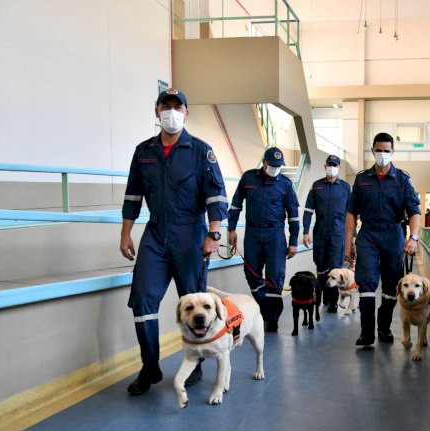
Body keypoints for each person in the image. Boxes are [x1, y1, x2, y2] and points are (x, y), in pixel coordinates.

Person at [120, 88, 229, 396]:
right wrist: (125, 232)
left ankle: (195, 362)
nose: (171, 112)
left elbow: (216, 194)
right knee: (142, 300)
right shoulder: (144, 152)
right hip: (155, 234)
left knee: (194, 303)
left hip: (191, 234)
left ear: (186, 112)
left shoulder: (200, 150)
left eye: (177, 107)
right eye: (165, 106)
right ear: (157, 111)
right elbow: (133, 195)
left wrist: (214, 233)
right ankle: (150, 367)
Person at [345, 132, 421, 346]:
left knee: (391, 287)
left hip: (393, 234)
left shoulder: (402, 179)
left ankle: (384, 327)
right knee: (366, 283)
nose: (382, 155)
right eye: (379, 150)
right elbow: (351, 212)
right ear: (372, 151)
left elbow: (414, 211)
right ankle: (367, 333)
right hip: (368, 234)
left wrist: (413, 238)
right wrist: (347, 243)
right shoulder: (362, 178)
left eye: (387, 151)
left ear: (392, 152)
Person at [228, 147, 300, 333]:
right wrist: (231, 229)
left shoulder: (285, 184)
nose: (276, 168)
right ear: (265, 162)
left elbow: (293, 215)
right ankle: (263, 309)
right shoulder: (248, 178)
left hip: (275, 235)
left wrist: (293, 241)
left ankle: (271, 318)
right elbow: (235, 205)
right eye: (273, 165)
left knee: (275, 277)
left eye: (279, 166)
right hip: (252, 234)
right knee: (252, 274)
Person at [302, 155, 352, 313]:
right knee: (321, 267)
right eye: (329, 164)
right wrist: (305, 231)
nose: (332, 167)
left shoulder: (345, 187)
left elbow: (351, 214)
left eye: (335, 165)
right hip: (320, 233)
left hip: (338, 234)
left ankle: (333, 301)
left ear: (338, 167)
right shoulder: (316, 186)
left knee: (335, 268)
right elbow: (308, 210)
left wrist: (353, 236)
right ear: (325, 166)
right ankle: (323, 294)